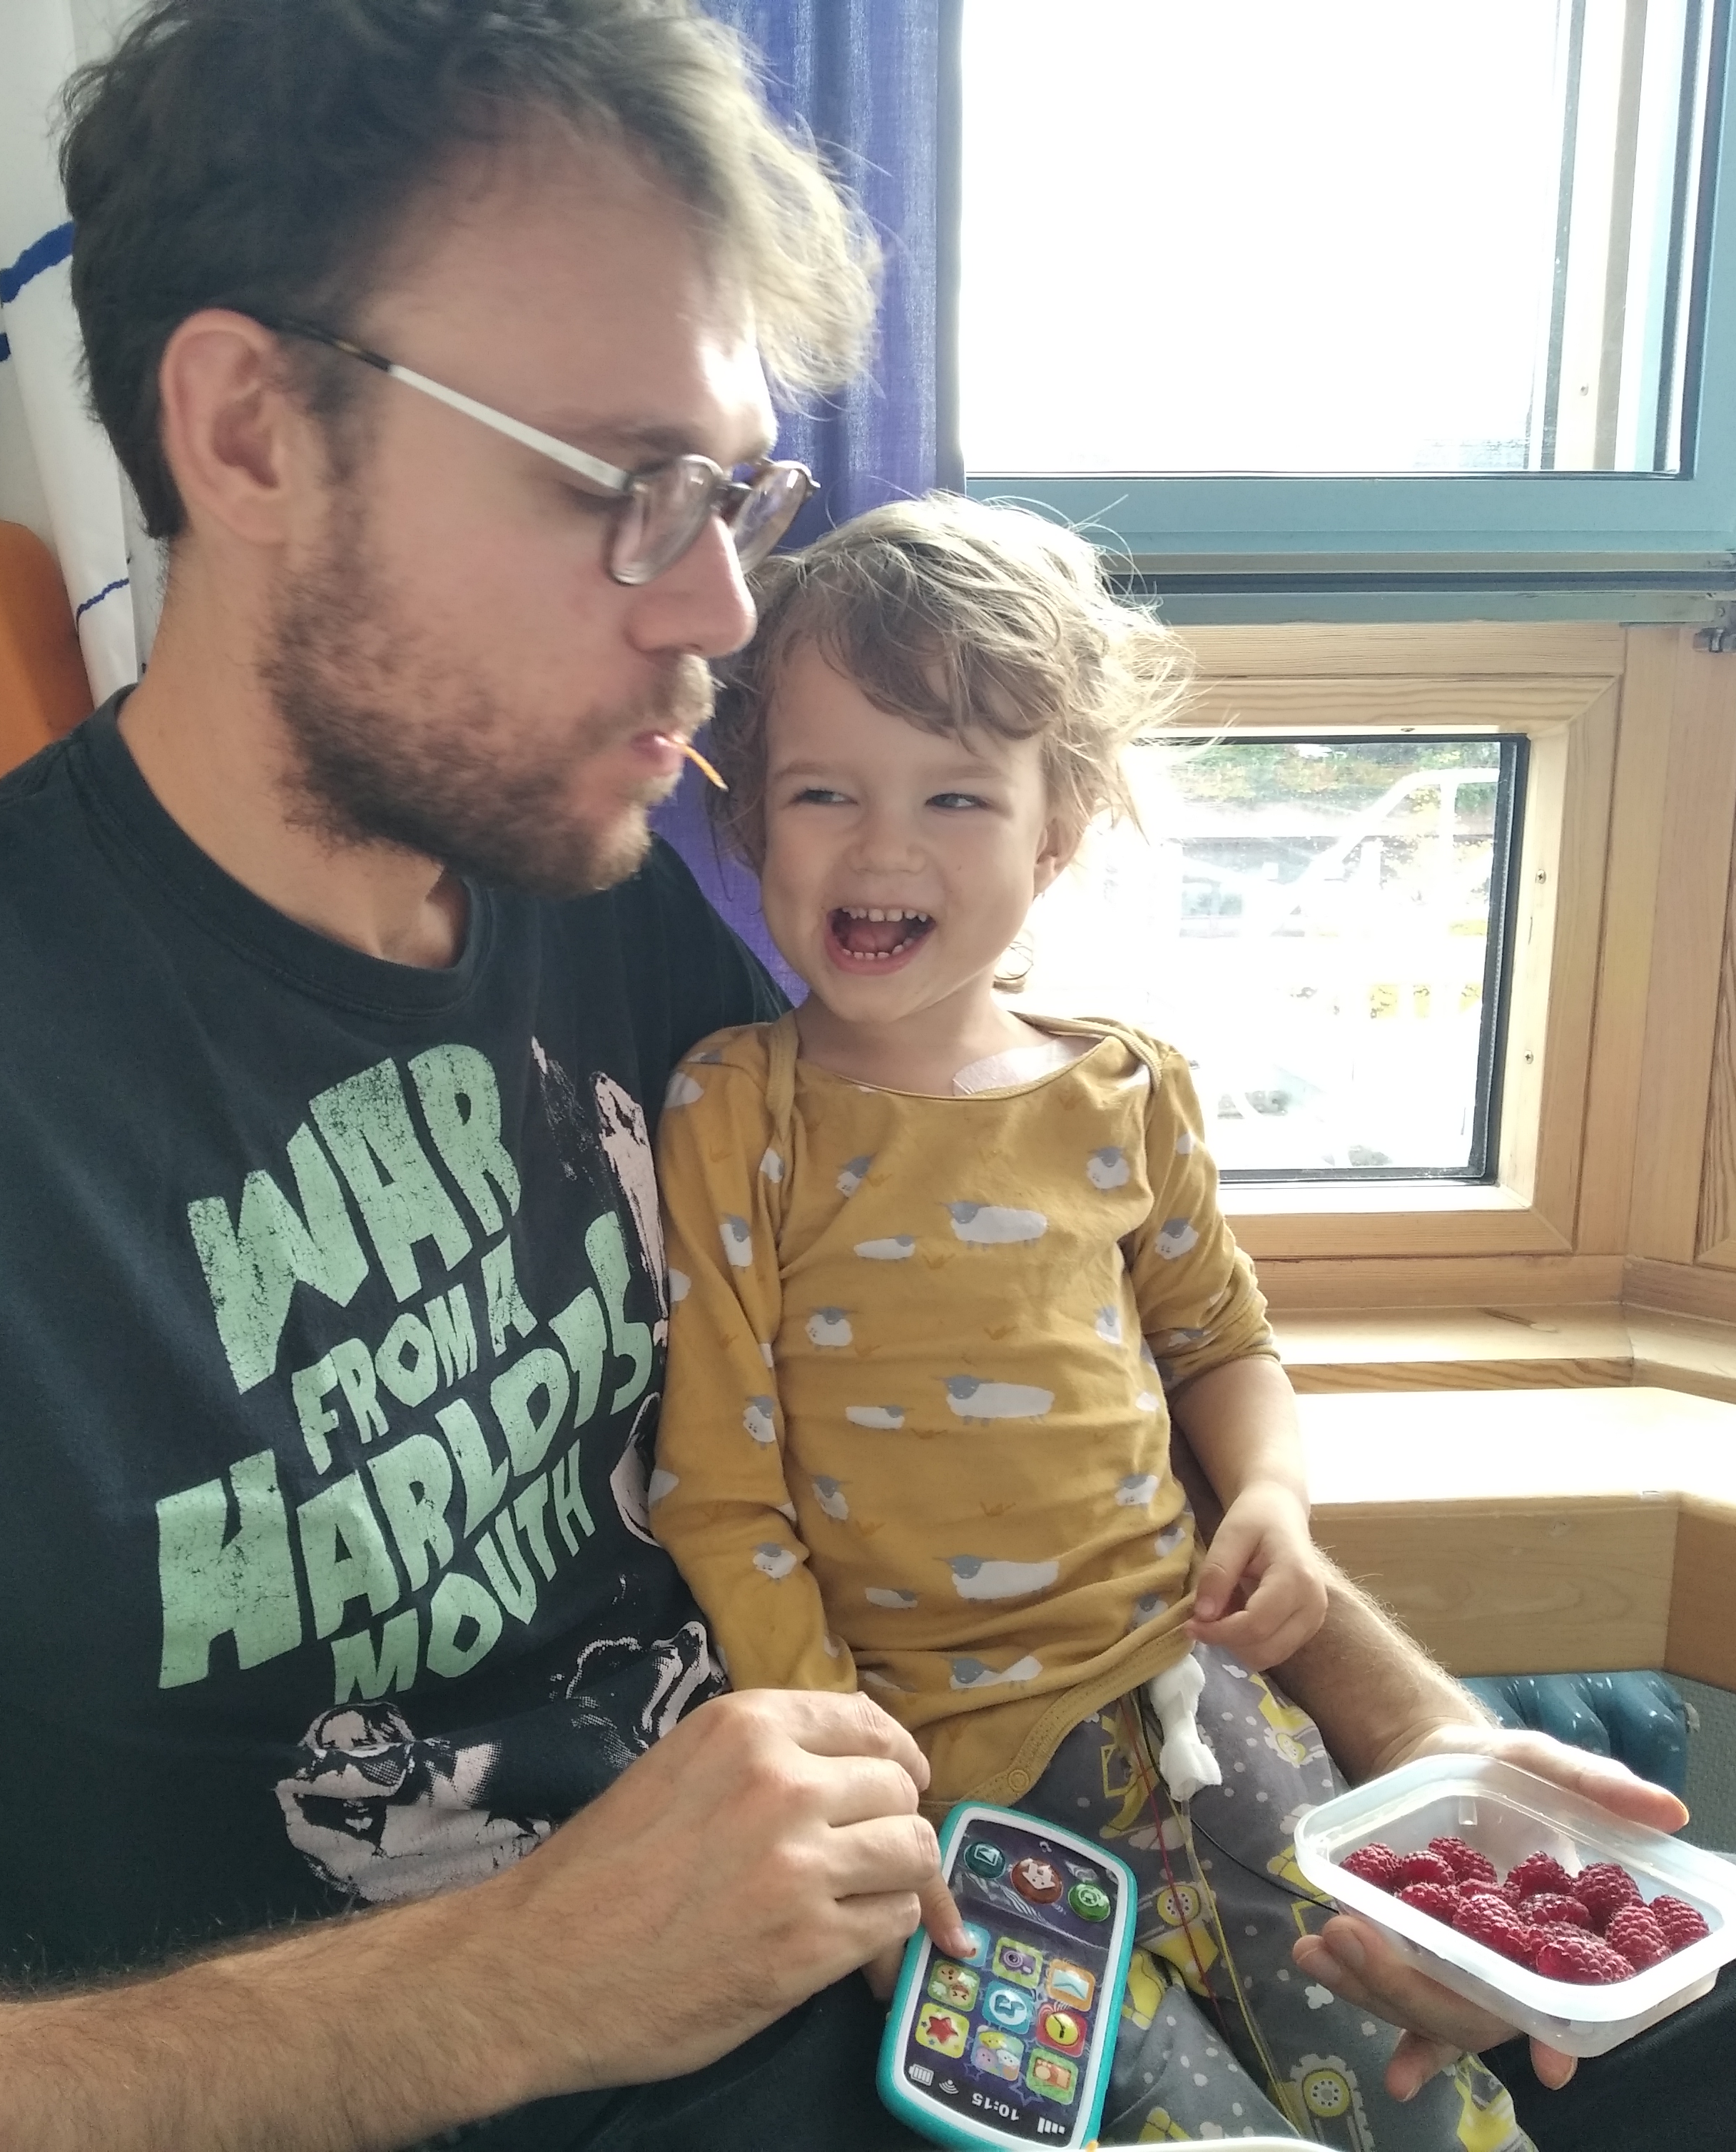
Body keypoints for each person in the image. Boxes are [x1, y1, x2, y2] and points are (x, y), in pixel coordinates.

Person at [0, 4, 1736, 2149]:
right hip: (570, 2078)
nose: (719, 620)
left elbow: (1027, 1303)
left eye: (737, 493)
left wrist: (1379, 1731)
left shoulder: (584, 867)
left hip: (1013, 1867)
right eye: (625, 486)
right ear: (250, 428)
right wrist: (496, 1983)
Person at [649, 494, 1532, 2146]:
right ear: (753, 821)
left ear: (1054, 833)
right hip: (956, 1795)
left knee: (1425, 2099)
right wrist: (861, 1796)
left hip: (1212, 1705)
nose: (882, 845)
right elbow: (722, 1495)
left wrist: (1274, 1499)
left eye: (956, 794)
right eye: (824, 791)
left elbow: (1219, 1341)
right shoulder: (735, 1112)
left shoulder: (1128, 1087)